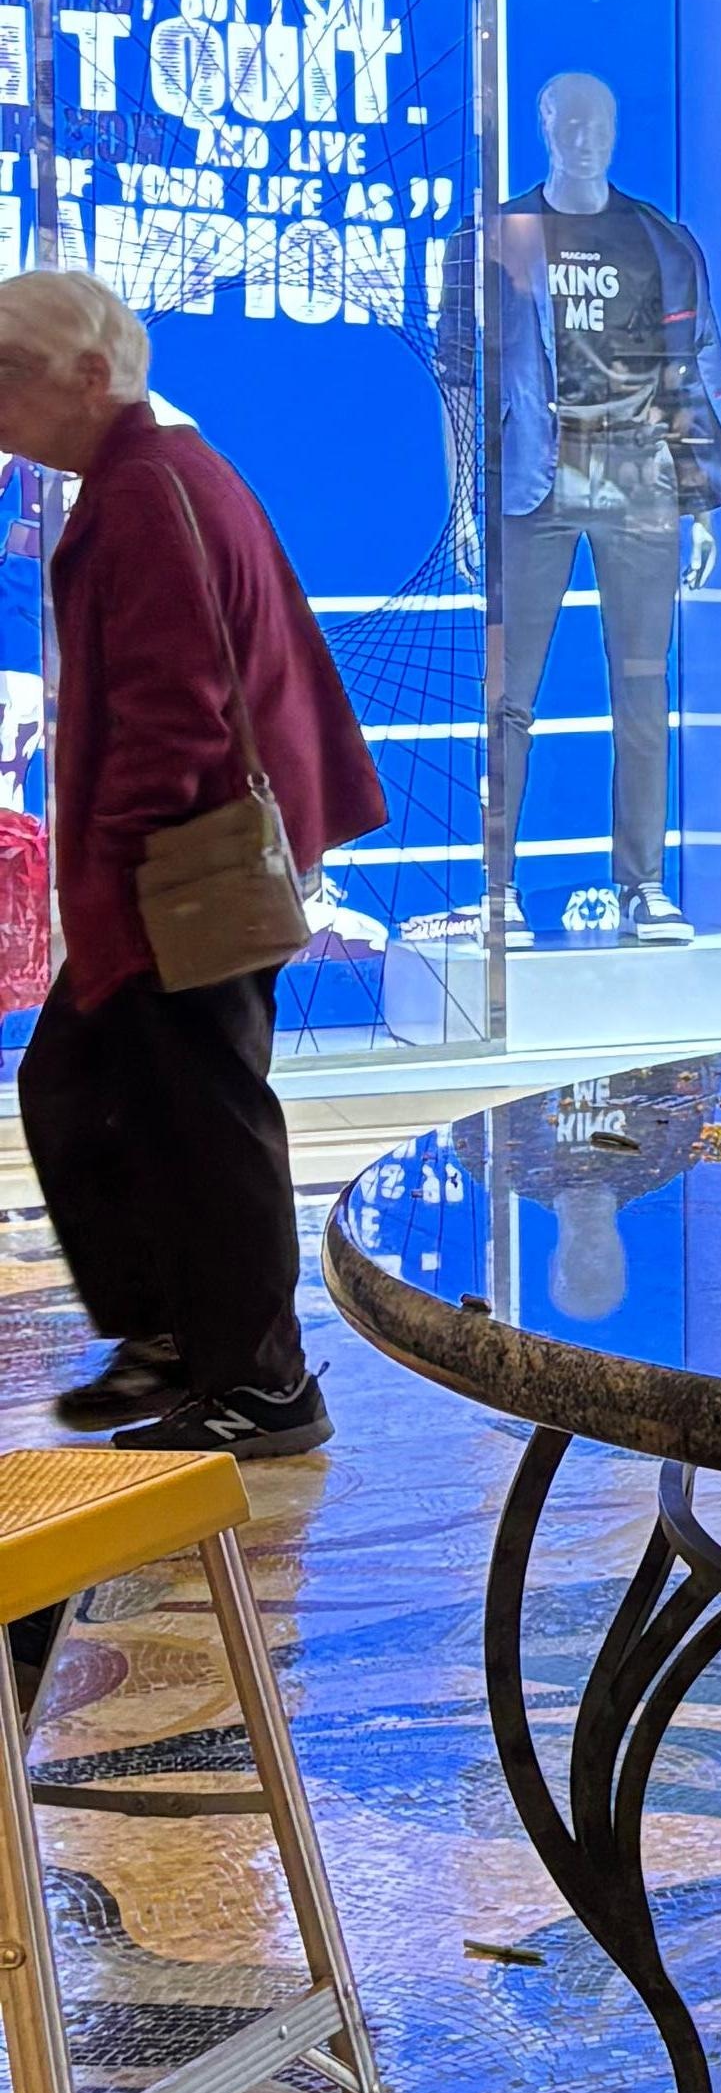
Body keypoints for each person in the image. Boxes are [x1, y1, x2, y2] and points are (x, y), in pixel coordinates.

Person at [0, 267, 386, 1457]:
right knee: (86, 1093)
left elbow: (178, 709)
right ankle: (181, 1336)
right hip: (180, 872)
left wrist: (116, 872)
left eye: (10, 378)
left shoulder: (143, 492)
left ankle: (259, 1385)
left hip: (182, 876)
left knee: (198, 1122)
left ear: (87, 376)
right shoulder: (155, 472)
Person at [476, 67, 721, 945]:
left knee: (642, 689)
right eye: (570, 119)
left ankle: (642, 886)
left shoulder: (659, 239)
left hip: (640, 479)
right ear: (545, 122)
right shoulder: (496, 236)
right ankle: (497, 889)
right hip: (533, 481)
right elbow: (457, 379)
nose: (585, 135)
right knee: (510, 695)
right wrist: (464, 506)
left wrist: (700, 504)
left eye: (600, 120)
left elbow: (693, 368)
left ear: (617, 129)